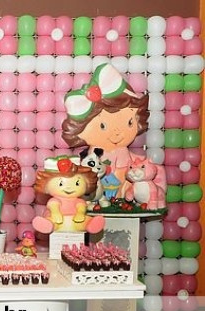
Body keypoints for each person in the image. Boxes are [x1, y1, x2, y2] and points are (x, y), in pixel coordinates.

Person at [62, 63, 150, 197]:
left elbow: (129, 170)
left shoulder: (124, 152)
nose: (117, 133)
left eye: (130, 122)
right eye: (102, 126)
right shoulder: (91, 155)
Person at [32, 156, 105, 234]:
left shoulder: (79, 201)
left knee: (85, 220)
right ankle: (47, 225)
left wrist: (80, 213)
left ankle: (90, 224)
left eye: (77, 183)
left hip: (75, 221)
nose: (69, 187)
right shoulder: (54, 200)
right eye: (61, 184)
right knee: (52, 220)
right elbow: (53, 207)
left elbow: (81, 208)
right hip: (57, 221)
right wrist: (56, 213)